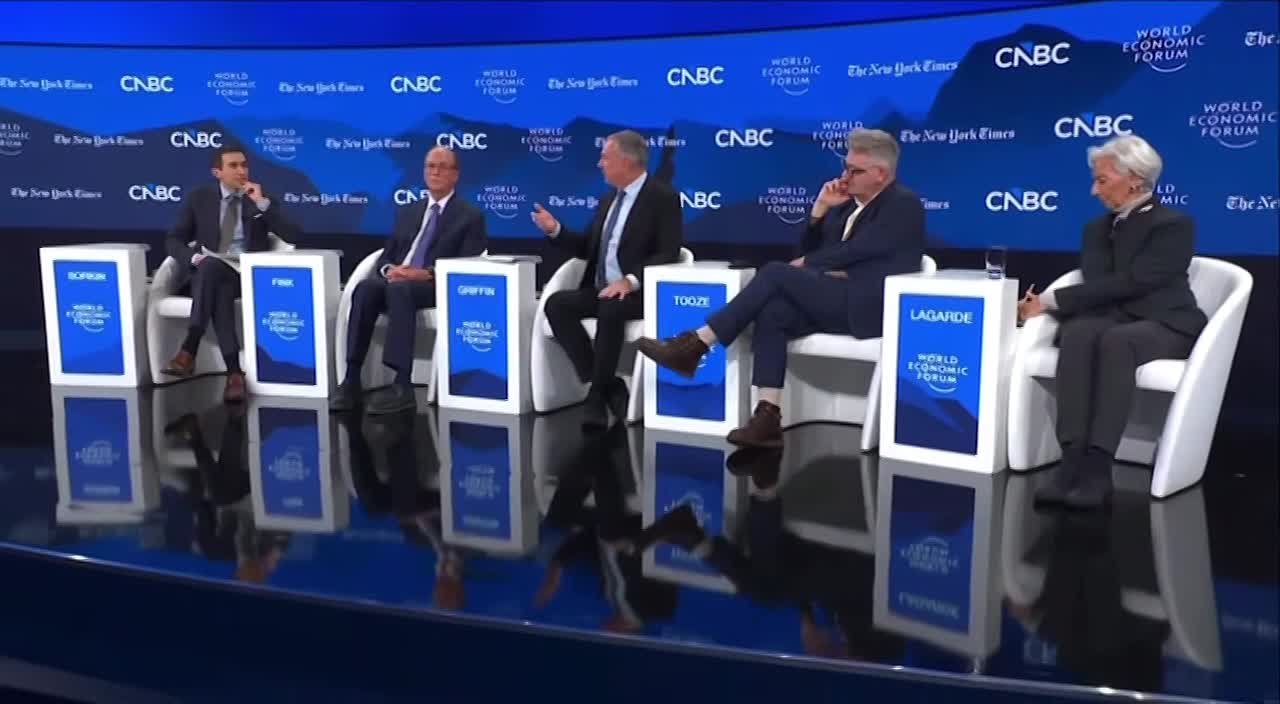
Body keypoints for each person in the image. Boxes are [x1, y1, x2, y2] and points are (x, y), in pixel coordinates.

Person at [636, 128, 925, 448]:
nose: (845, 176)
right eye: (845, 167)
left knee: (775, 272)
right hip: (835, 297)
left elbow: (857, 251)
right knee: (774, 312)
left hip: (868, 306)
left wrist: (810, 263)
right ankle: (767, 417)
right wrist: (819, 210)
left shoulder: (903, 204)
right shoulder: (845, 207)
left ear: (881, 174)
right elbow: (807, 251)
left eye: (854, 171)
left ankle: (697, 343)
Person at [1021, 134, 1205, 510]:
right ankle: (1071, 461)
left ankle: (1098, 468)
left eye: (1102, 180)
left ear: (1135, 179)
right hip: (1115, 318)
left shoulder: (1173, 224)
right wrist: (1057, 307)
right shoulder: (1097, 229)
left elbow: (1137, 282)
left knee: (1117, 341)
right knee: (1077, 332)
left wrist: (1051, 301)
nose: (1094, 191)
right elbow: (1099, 282)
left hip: (1167, 323)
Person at [530, 129, 683, 430]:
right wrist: (555, 230)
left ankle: (596, 398)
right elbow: (587, 247)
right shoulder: (608, 200)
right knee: (557, 305)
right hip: (601, 289)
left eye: (605, 157)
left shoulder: (663, 198)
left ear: (626, 161)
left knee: (612, 308)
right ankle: (607, 384)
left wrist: (629, 281)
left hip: (638, 294)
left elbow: (669, 252)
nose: (600, 164)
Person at [329, 146, 487, 415]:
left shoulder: (470, 216)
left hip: (435, 285)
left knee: (400, 291)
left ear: (455, 175)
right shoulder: (409, 211)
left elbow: (468, 264)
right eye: (430, 166)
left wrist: (425, 274)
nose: (435, 172)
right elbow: (386, 255)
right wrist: (389, 270)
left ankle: (402, 384)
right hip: (399, 280)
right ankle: (352, 379)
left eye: (442, 166)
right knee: (366, 289)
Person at [161, 145, 301, 403]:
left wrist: (262, 204)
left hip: (244, 276)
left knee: (215, 276)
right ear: (217, 172)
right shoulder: (200, 198)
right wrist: (193, 258)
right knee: (215, 277)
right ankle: (234, 374)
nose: (241, 171)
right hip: (208, 273)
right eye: (233, 166)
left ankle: (190, 347)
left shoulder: (260, 199)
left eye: (244, 165)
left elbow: (293, 236)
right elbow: (174, 239)